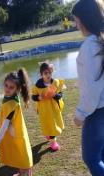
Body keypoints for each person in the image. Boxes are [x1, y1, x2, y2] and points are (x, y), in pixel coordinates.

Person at [72, 0, 104, 175]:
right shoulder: (100, 42)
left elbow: (92, 90)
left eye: (76, 20)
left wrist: (80, 115)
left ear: (84, 19)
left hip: (96, 112)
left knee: (91, 158)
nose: (76, 24)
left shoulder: (89, 46)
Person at [0, 68, 33, 176]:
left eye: (11, 87)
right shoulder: (10, 97)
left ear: (17, 89)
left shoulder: (11, 104)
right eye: (6, 85)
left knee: (21, 155)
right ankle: (22, 172)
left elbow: (5, 125)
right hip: (14, 132)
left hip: (15, 134)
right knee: (18, 154)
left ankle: (26, 173)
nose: (7, 89)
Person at [32, 62, 65, 151]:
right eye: (45, 73)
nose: (48, 75)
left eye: (50, 73)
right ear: (41, 74)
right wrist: (39, 97)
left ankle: (53, 140)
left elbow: (60, 94)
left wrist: (55, 95)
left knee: (54, 124)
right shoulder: (37, 86)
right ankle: (52, 141)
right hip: (44, 110)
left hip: (54, 109)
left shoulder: (55, 82)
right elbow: (33, 97)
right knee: (48, 124)